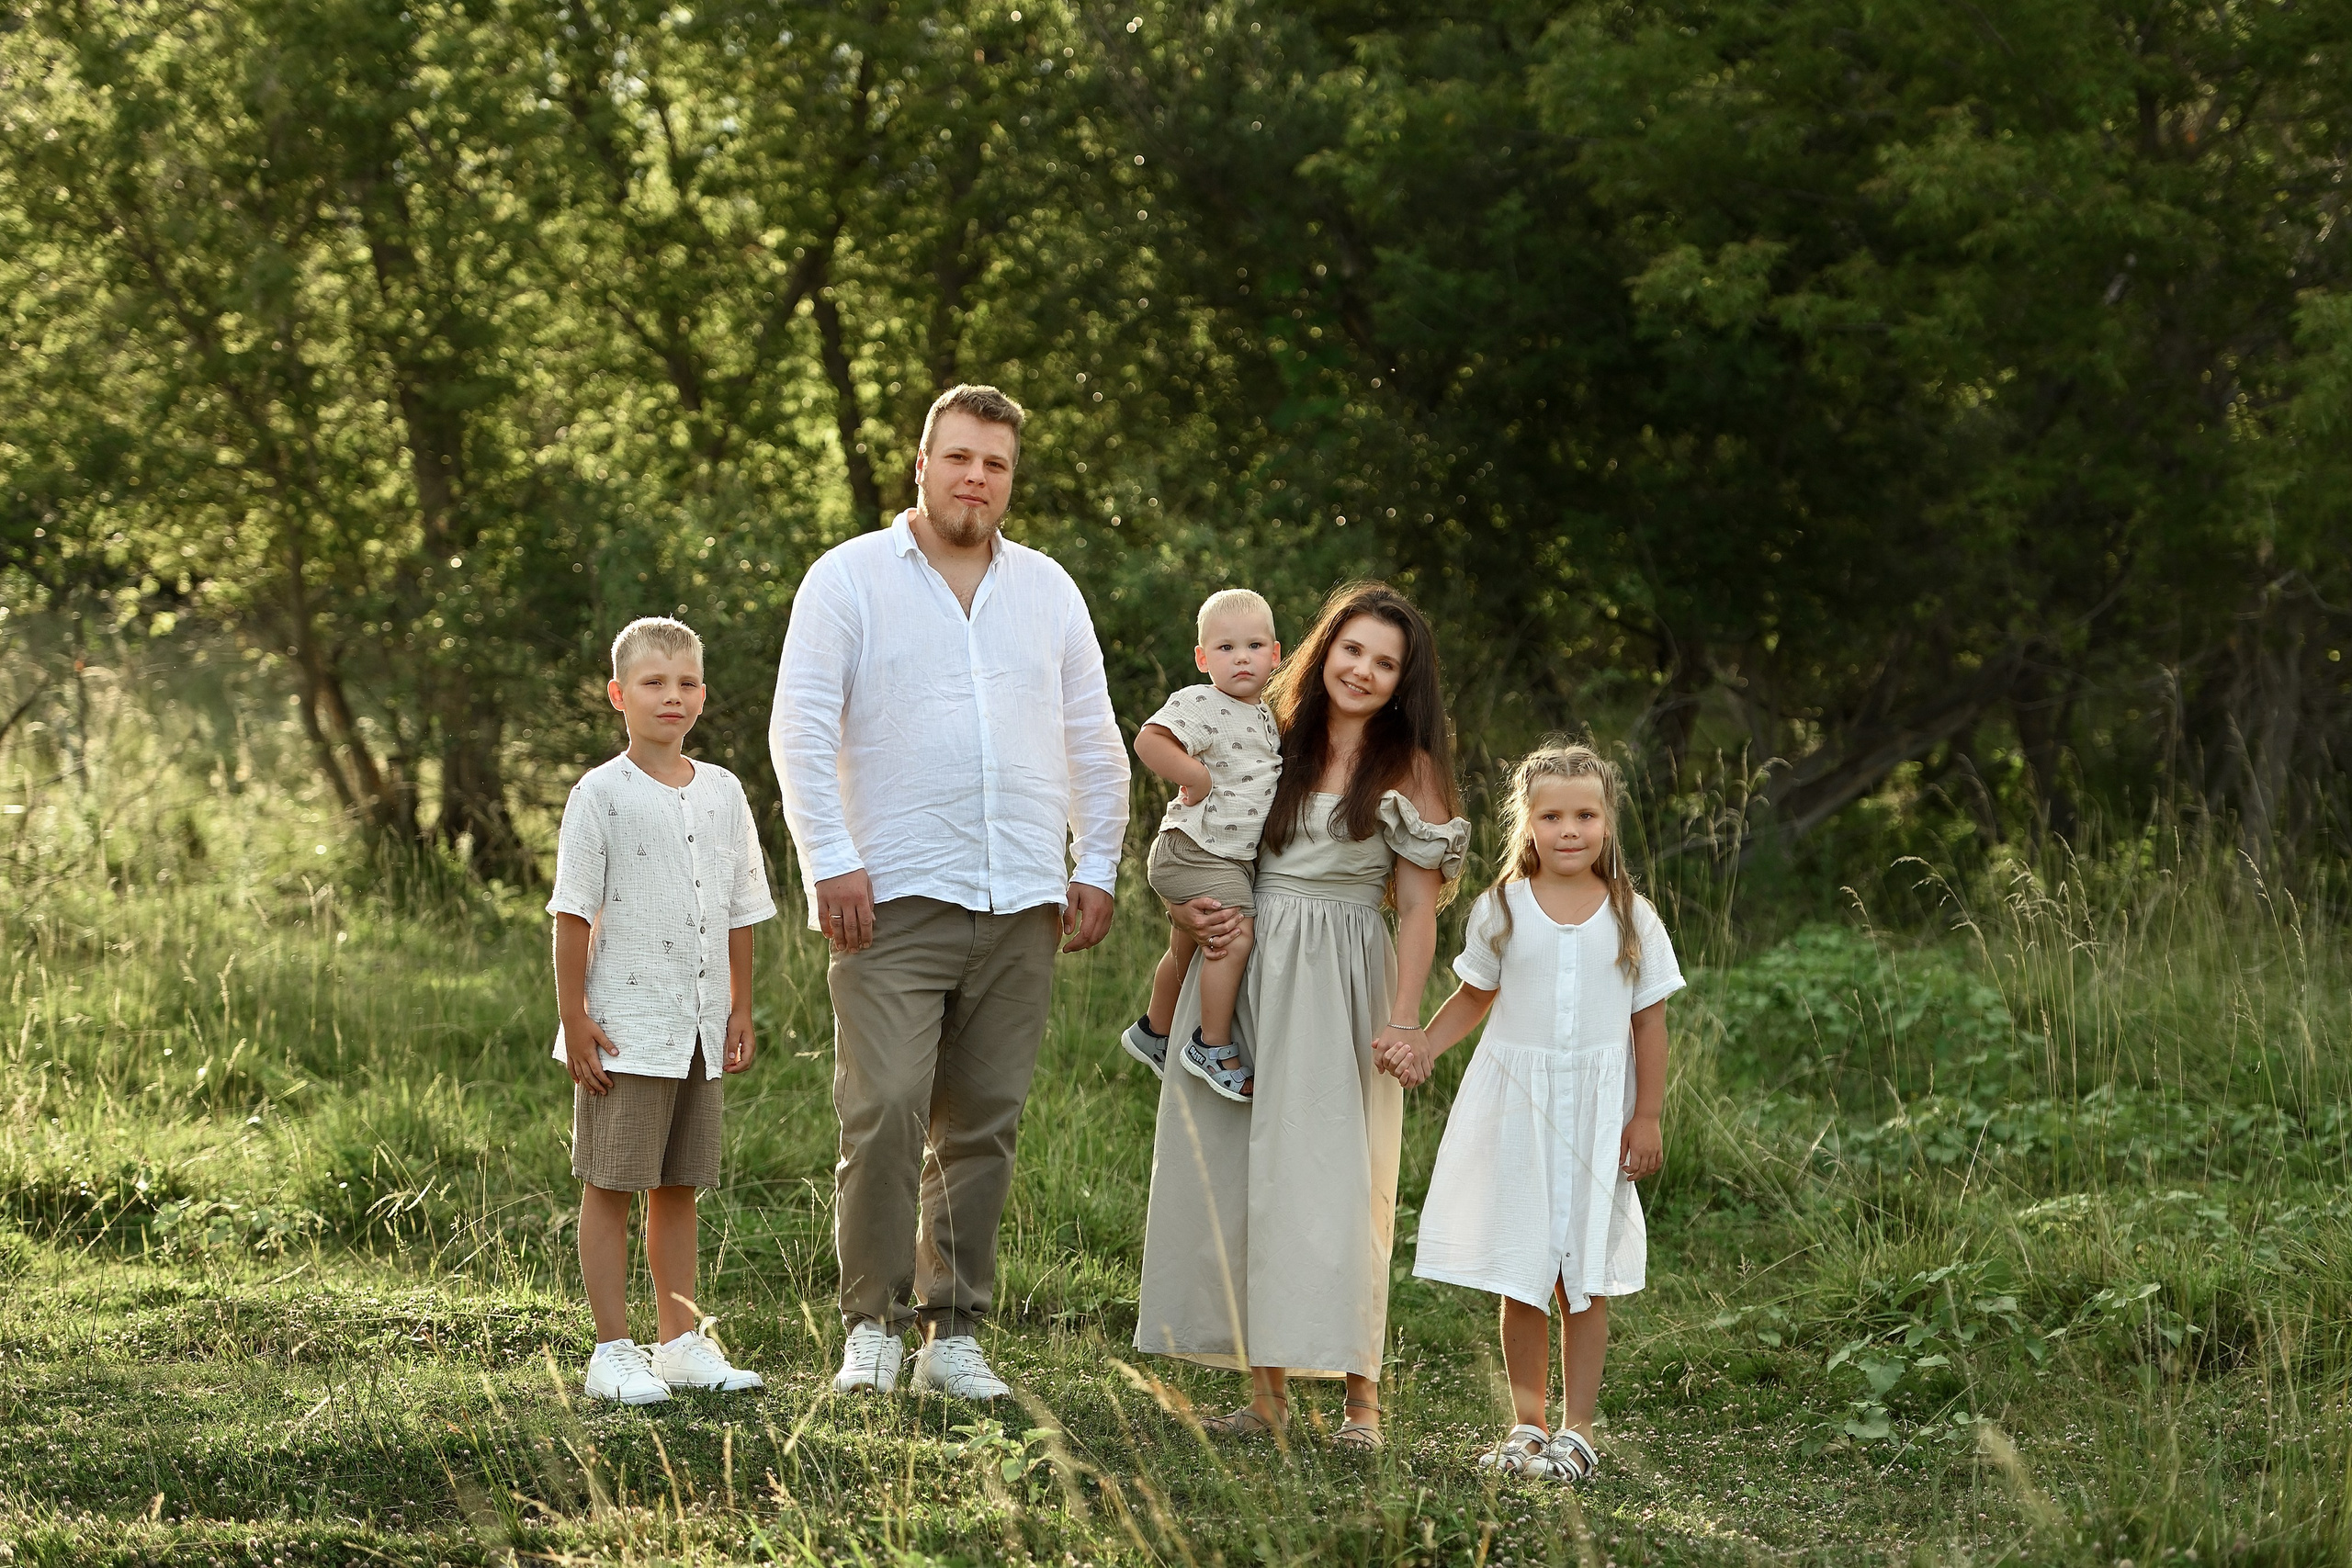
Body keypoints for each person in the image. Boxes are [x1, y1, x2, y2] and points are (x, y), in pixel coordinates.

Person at [771, 383, 1128, 1402]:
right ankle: (871, 1328)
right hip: (888, 893)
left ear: (1011, 480)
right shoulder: (848, 579)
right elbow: (797, 728)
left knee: (982, 1120)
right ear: (921, 463)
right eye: (960, 456)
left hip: (1021, 896)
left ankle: (952, 1332)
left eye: (996, 464)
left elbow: (1093, 741)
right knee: (882, 1108)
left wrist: (1093, 864)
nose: (977, 476)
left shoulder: (1048, 590)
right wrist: (828, 858)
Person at [1134, 581, 1468, 1450]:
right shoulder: (1268, 738)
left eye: (1385, 662)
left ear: (1404, 681)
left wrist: (1404, 1019)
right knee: (1251, 1171)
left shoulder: (1410, 769)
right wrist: (1189, 919)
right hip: (1250, 960)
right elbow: (1201, 839)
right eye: (1351, 649)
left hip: (1345, 970)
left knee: (1343, 1178)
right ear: (1320, 652)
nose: (1363, 670)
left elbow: (1421, 909)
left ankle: (1362, 1401)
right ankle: (1266, 1394)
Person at [1379, 742, 1683, 1483]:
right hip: (1519, 1106)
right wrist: (1423, 1043)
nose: (1569, 829)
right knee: (1523, 1267)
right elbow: (1475, 997)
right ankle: (1527, 1423)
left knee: (1582, 1273)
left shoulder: (1631, 914)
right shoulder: (1502, 908)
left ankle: (1577, 1432)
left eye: (1585, 814)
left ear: (1607, 822)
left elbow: (1650, 1022)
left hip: (1596, 1113)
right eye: (1552, 815)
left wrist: (1646, 1116)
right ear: (1528, 822)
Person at [548, 615, 775, 1405]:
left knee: (679, 1187)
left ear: (702, 695)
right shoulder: (600, 794)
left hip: (699, 1030)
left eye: (684, 684)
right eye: (653, 683)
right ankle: (612, 1350)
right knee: (611, 1185)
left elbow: (744, 906)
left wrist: (741, 1006)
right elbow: (571, 912)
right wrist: (574, 1017)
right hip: (625, 1027)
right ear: (620, 694)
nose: (670, 697)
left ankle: (678, 1343)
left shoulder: (724, 791)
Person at [1120, 588, 1283, 1100]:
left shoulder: (1268, 716)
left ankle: (1154, 1030)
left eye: (1254, 646)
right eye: (1225, 648)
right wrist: (1194, 774)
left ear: (1275, 654)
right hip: (1196, 849)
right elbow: (1148, 741)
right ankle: (1210, 1045)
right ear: (1202, 657)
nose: (1241, 658)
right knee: (1233, 936)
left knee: (1188, 948)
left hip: (1216, 854)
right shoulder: (1201, 701)